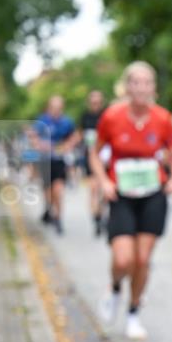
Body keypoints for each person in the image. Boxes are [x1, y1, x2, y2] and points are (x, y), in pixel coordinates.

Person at [90, 61, 172, 341]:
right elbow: (95, 154)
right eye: (136, 82)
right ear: (127, 86)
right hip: (120, 193)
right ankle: (115, 287)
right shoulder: (111, 117)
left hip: (153, 193)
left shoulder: (163, 118)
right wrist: (104, 181)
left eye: (147, 83)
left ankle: (133, 313)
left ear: (153, 88)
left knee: (142, 259)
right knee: (123, 259)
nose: (141, 88)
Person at [34, 96, 78, 235]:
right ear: (48, 107)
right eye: (53, 107)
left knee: (58, 190)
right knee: (48, 191)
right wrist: (41, 145)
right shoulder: (42, 120)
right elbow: (33, 137)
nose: (56, 110)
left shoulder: (67, 122)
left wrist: (67, 145)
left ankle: (58, 219)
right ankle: (48, 208)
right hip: (45, 161)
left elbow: (75, 136)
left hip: (59, 161)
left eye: (59, 108)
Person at [80, 90, 107, 236]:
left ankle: (101, 213)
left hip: (106, 158)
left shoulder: (107, 115)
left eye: (98, 101)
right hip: (90, 157)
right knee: (94, 188)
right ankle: (96, 218)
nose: (95, 104)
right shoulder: (85, 117)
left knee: (104, 189)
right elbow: (80, 134)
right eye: (93, 101)